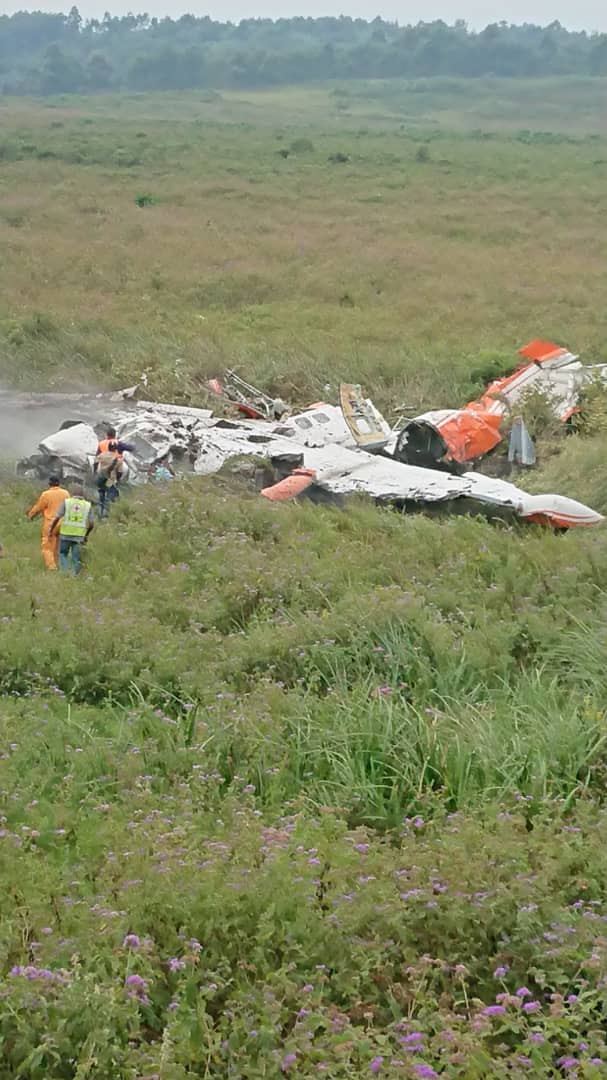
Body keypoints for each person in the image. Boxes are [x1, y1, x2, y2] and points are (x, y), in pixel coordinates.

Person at [26, 475, 70, 570]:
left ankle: (52, 567)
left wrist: (30, 515)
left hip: (50, 524)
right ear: (59, 483)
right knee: (57, 547)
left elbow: (38, 507)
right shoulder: (66, 493)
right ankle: (57, 564)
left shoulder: (46, 494)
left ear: (49, 484)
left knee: (46, 546)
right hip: (63, 523)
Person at [48, 486, 94, 575]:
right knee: (76, 558)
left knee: (62, 554)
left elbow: (57, 517)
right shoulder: (88, 505)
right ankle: (76, 576)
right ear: (83, 494)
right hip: (79, 536)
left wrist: (51, 529)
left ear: (73, 493)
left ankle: (66, 572)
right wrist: (86, 535)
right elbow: (91, 523)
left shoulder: (67, 502)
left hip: (65, 534)